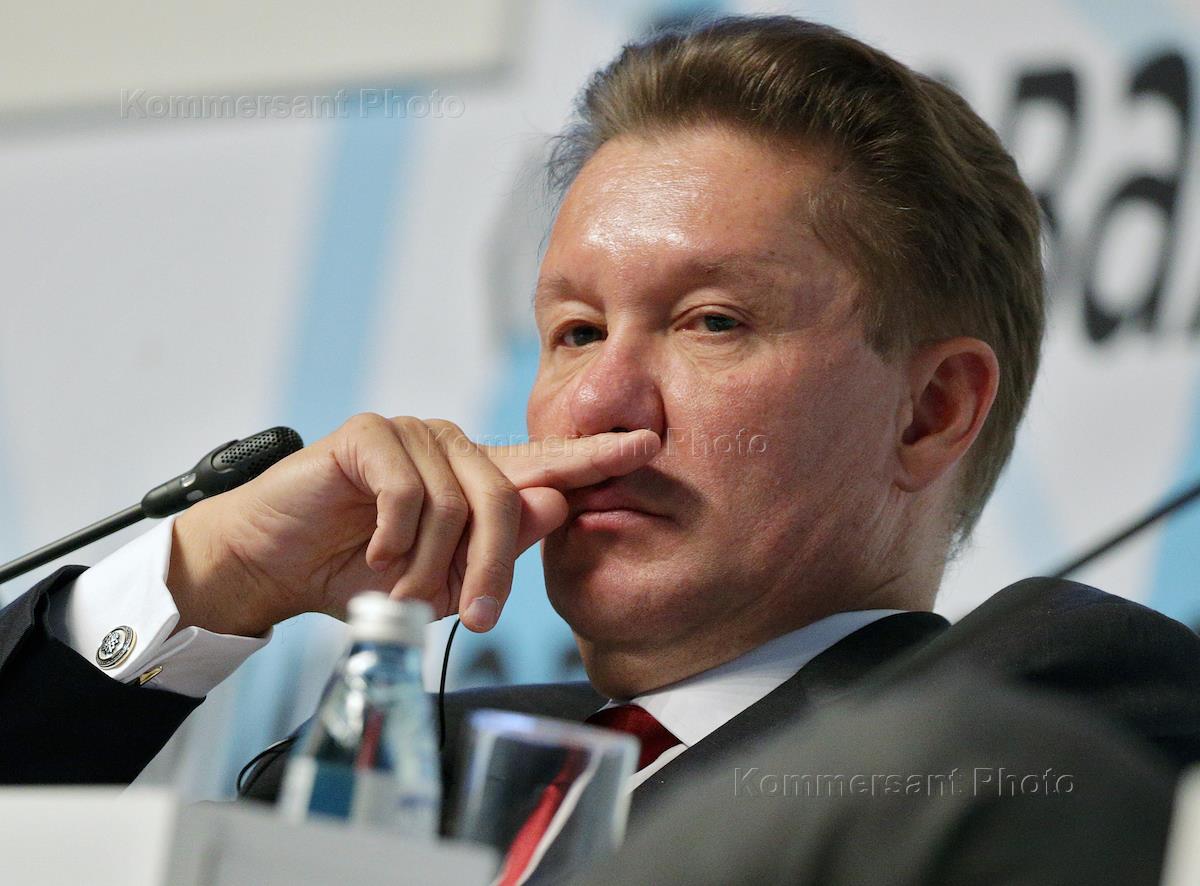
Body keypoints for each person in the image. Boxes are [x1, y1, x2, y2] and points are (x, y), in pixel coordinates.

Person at [2, 15, 1198, 883]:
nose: (600, 401)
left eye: (710, 321)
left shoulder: (1059, 700)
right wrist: (208, 581)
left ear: (931, 410)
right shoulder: (406, 762)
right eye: (574, 331)